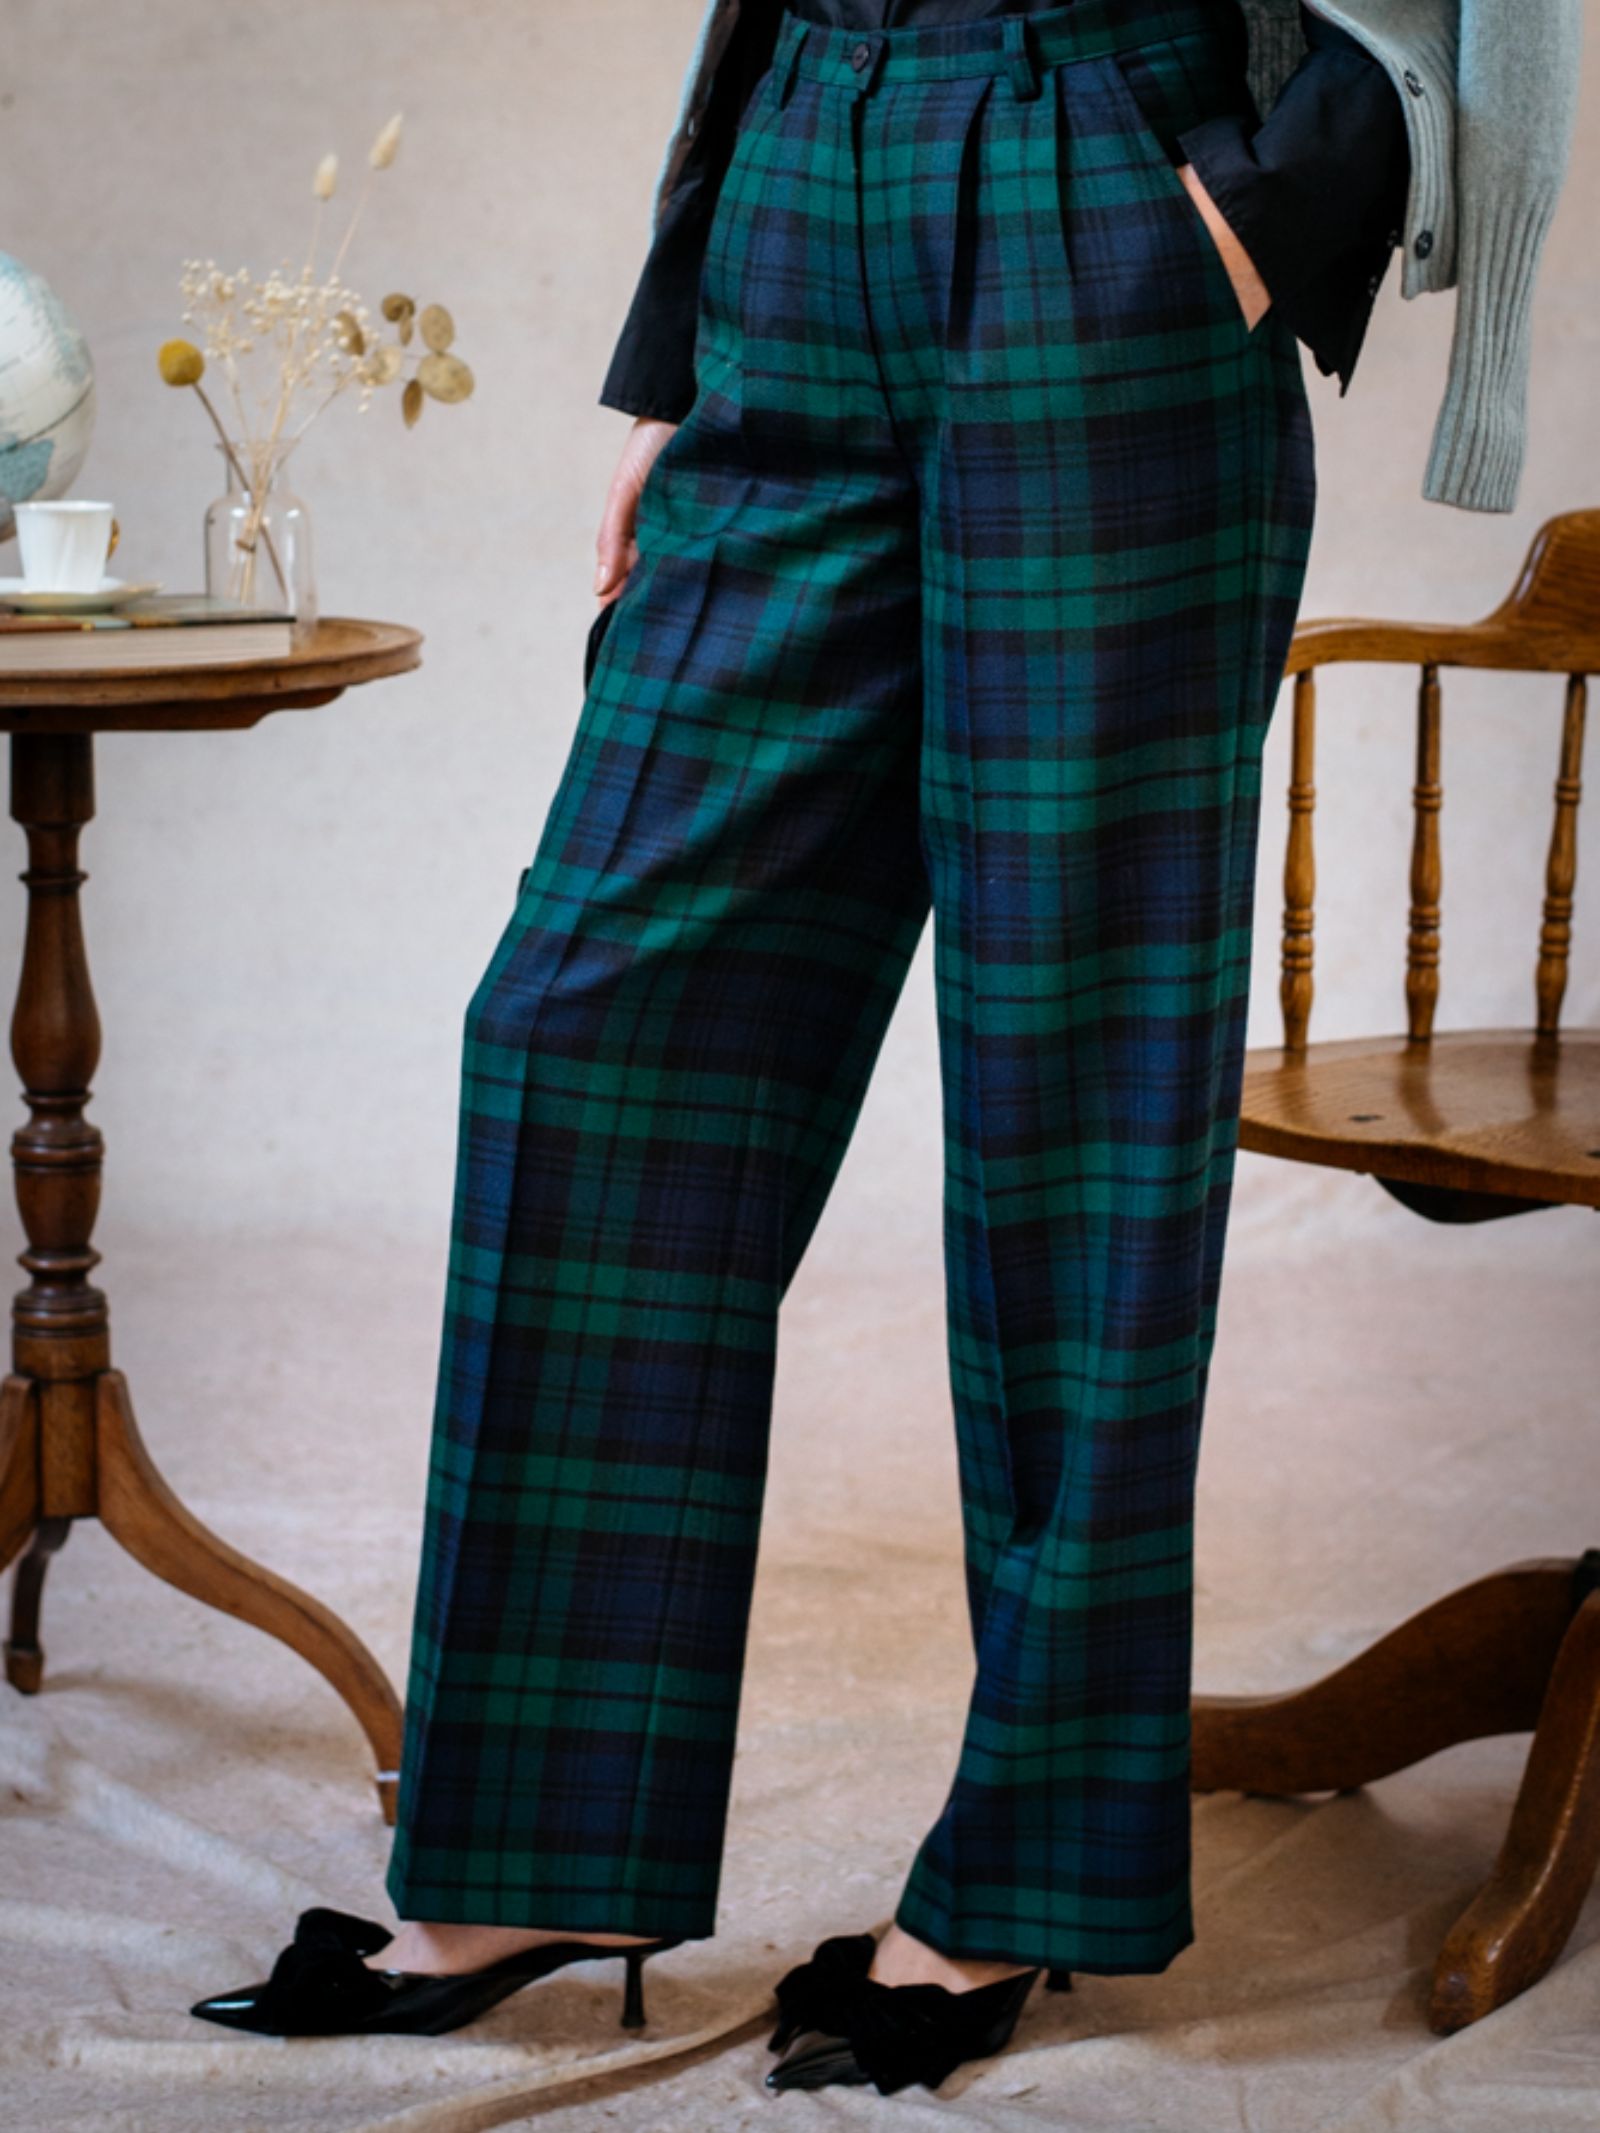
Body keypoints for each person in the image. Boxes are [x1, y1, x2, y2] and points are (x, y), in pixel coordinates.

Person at [187, 0, 1578, 2099]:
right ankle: (534, 1852)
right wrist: (678, 358)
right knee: (580, 1030)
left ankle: (1019, 1872)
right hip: (803, 176)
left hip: (1104, 181)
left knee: (1069, 1103)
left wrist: (1279, 199)